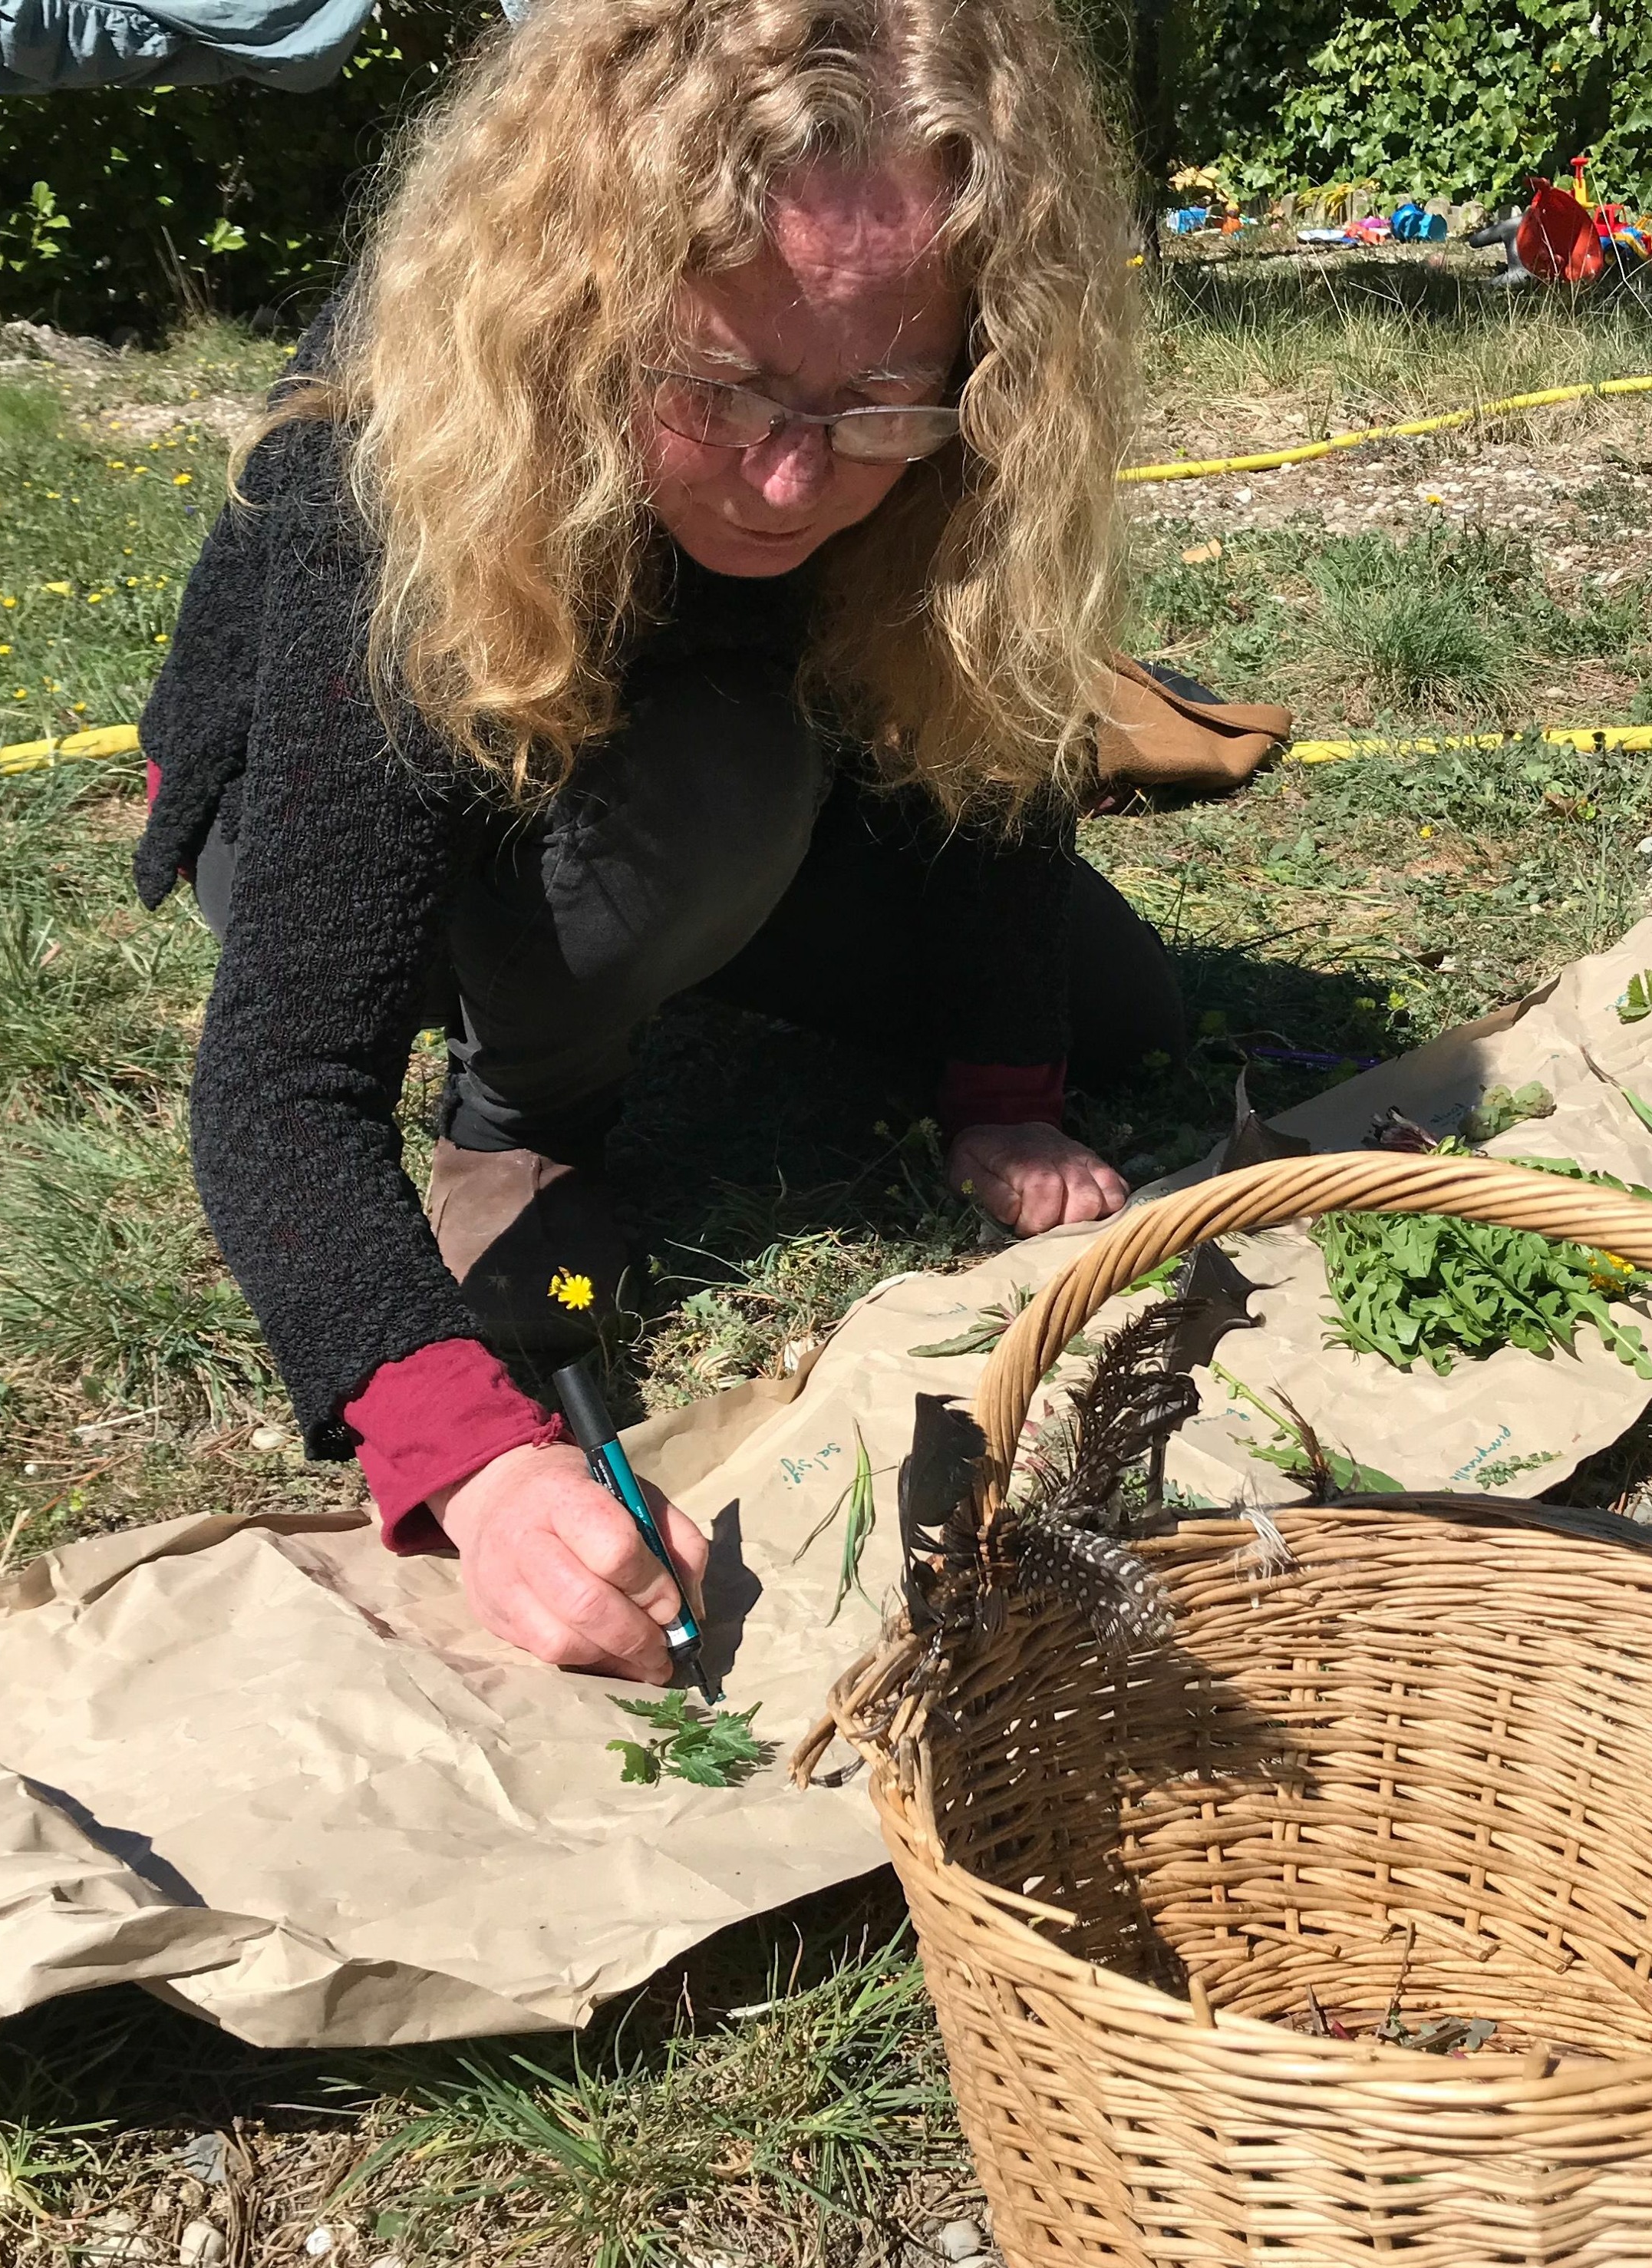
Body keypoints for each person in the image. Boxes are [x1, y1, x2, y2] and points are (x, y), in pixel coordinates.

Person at [134, 0, 1189, 1686]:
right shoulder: (389, 468)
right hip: (347, 805)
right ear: (589, 296)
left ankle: (673, 935)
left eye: (878, 402)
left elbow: (999, 747)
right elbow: (284, 1084)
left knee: (1117, 1001)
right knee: (711, 787)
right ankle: (526, 1117)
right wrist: (473, 1461)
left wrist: (1003, 1094)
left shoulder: (950, 440)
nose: (786, 482)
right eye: (727, 385)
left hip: (711, 774)